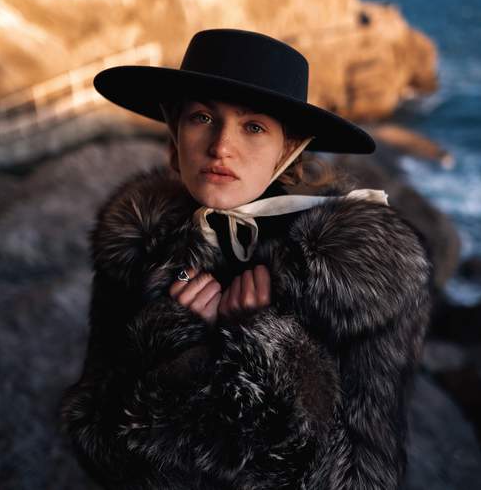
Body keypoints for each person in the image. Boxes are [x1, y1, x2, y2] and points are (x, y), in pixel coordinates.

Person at [60, 29, 431, 489]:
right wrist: (169, 342)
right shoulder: (140, 244)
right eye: (201, 117)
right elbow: (94, 440)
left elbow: (364, 477)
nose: (220, 147)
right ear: (175, 130)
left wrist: (273, 352)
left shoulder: (357, 272)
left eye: (253, 127)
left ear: (288, 146)